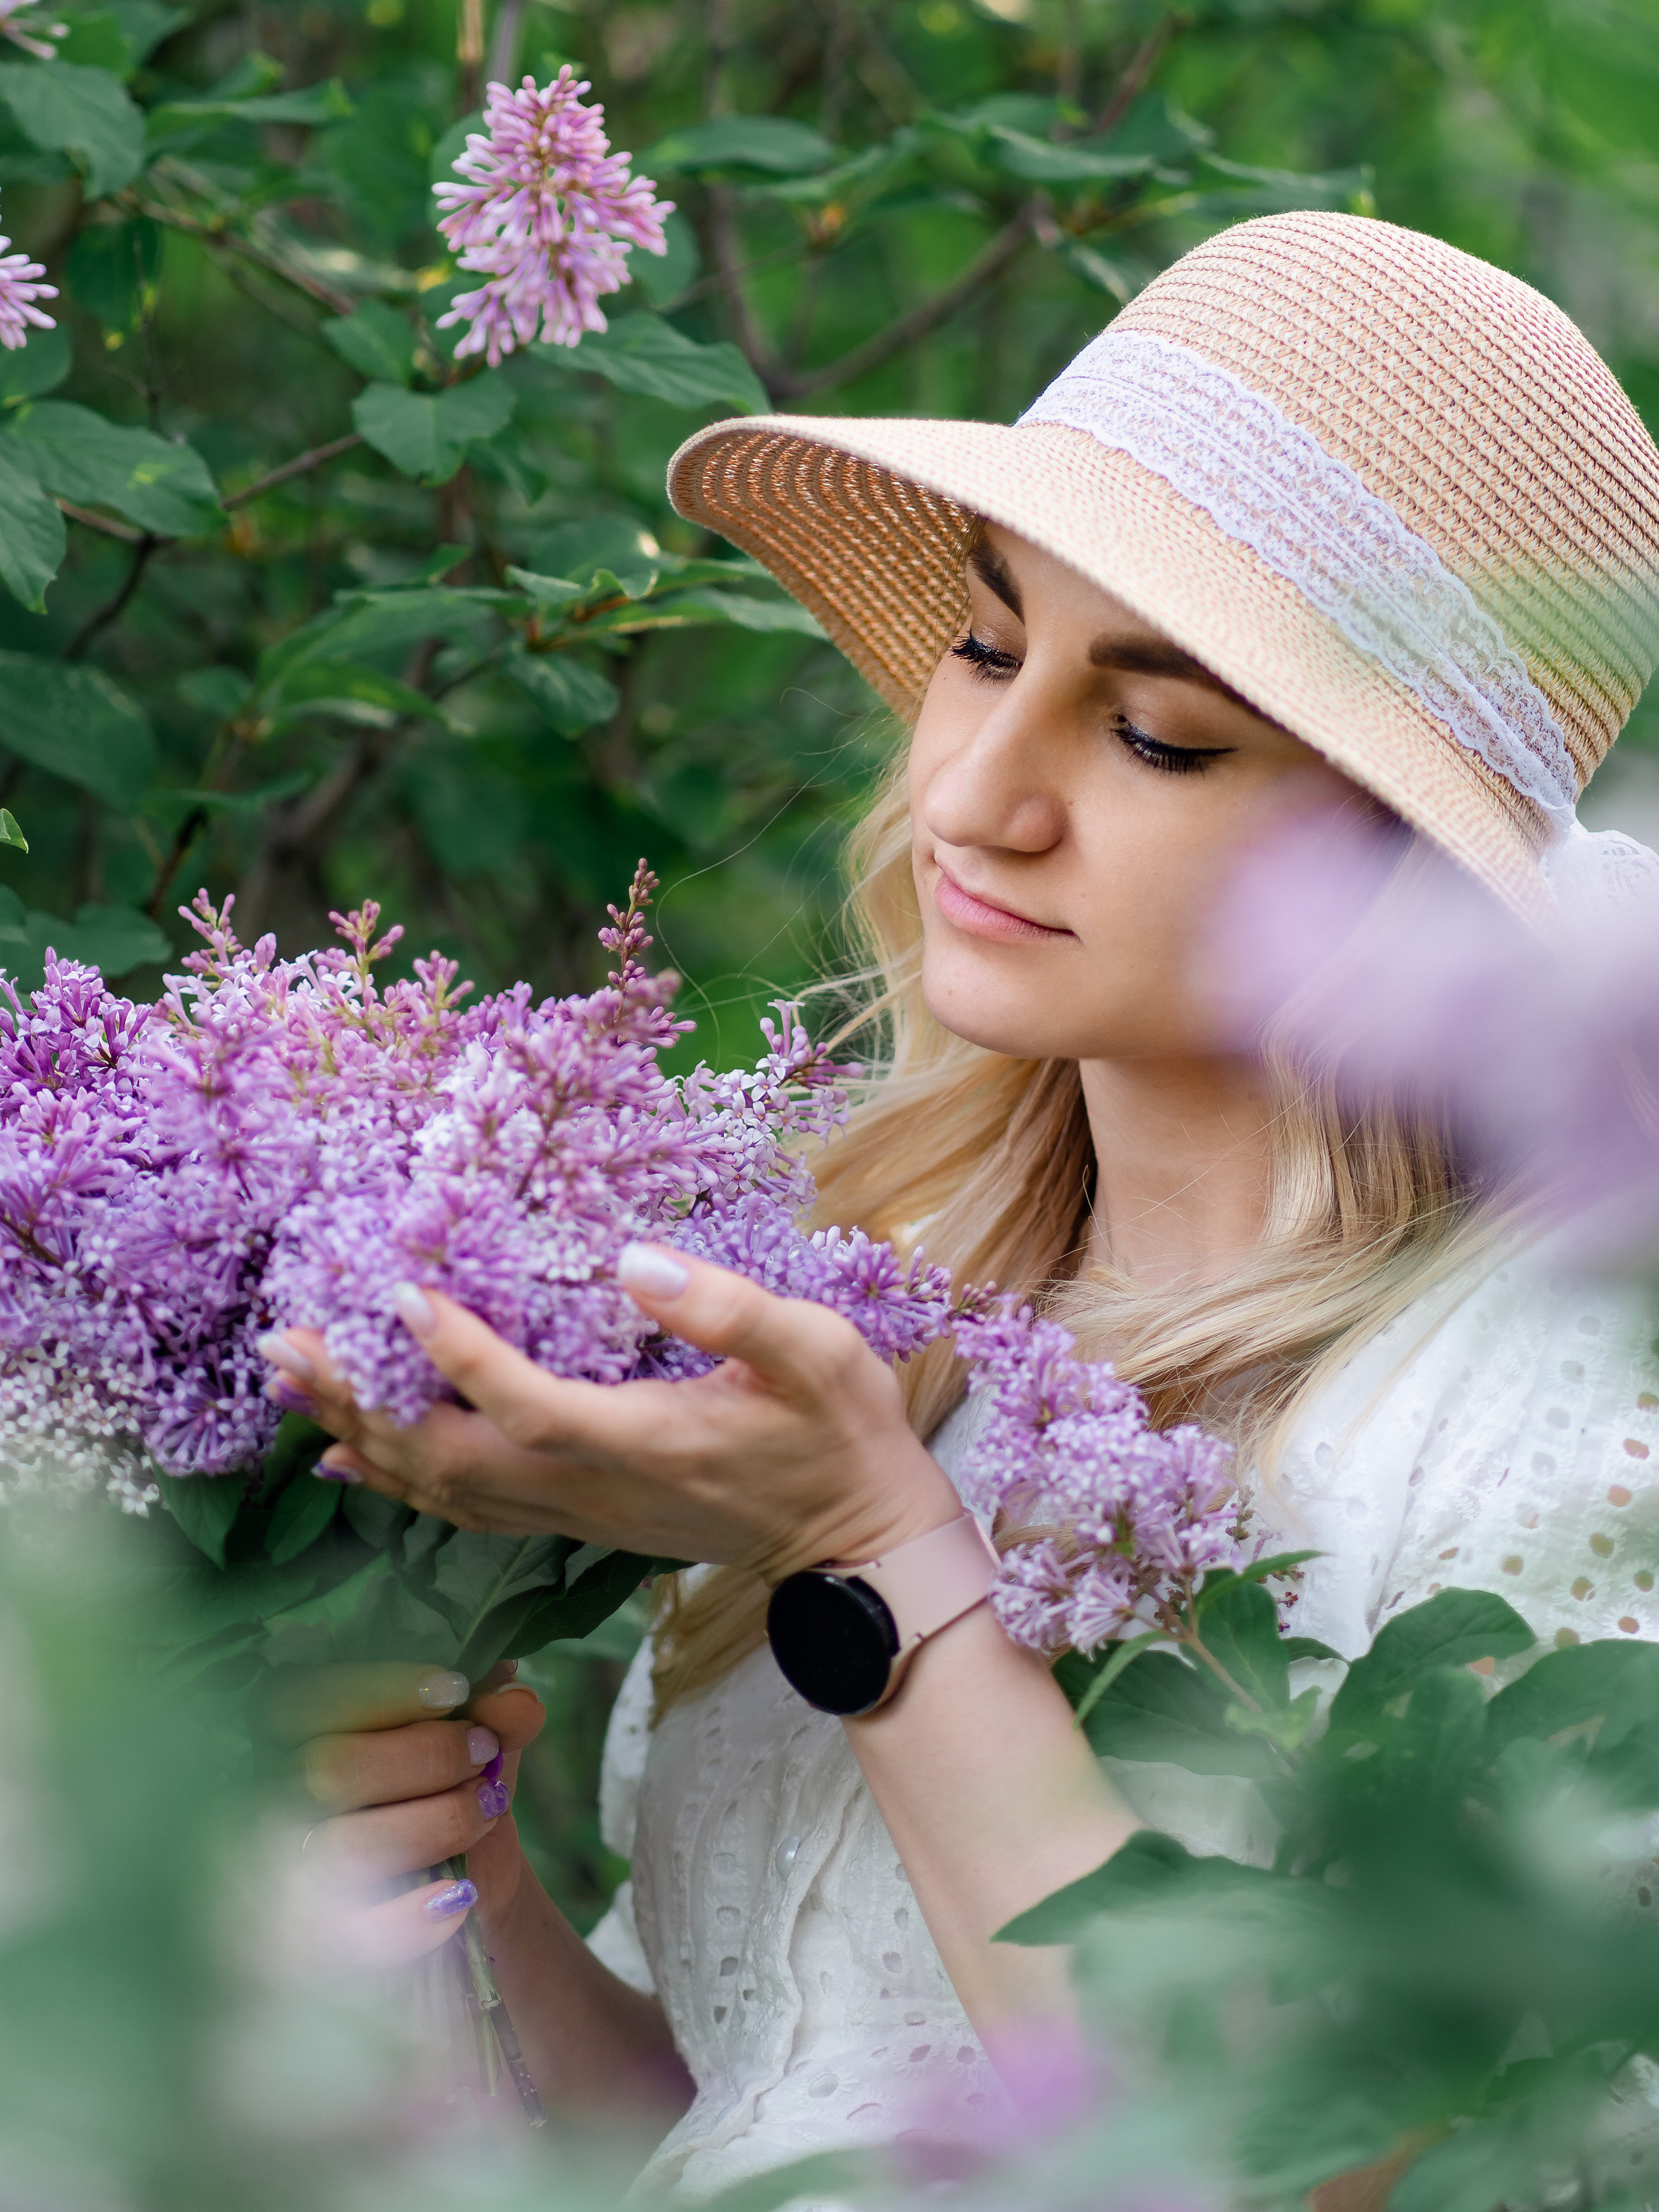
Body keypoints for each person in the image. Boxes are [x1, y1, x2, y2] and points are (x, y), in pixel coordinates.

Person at [257, 211, 1659, 2200]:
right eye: (989, 646)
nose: (979, 793)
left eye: (1158, 732)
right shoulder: (889, 1308)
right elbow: (748, 2101)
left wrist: (871, 1561)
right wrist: (464, 1863)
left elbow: (1347, 2170)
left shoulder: (1561, 1426)